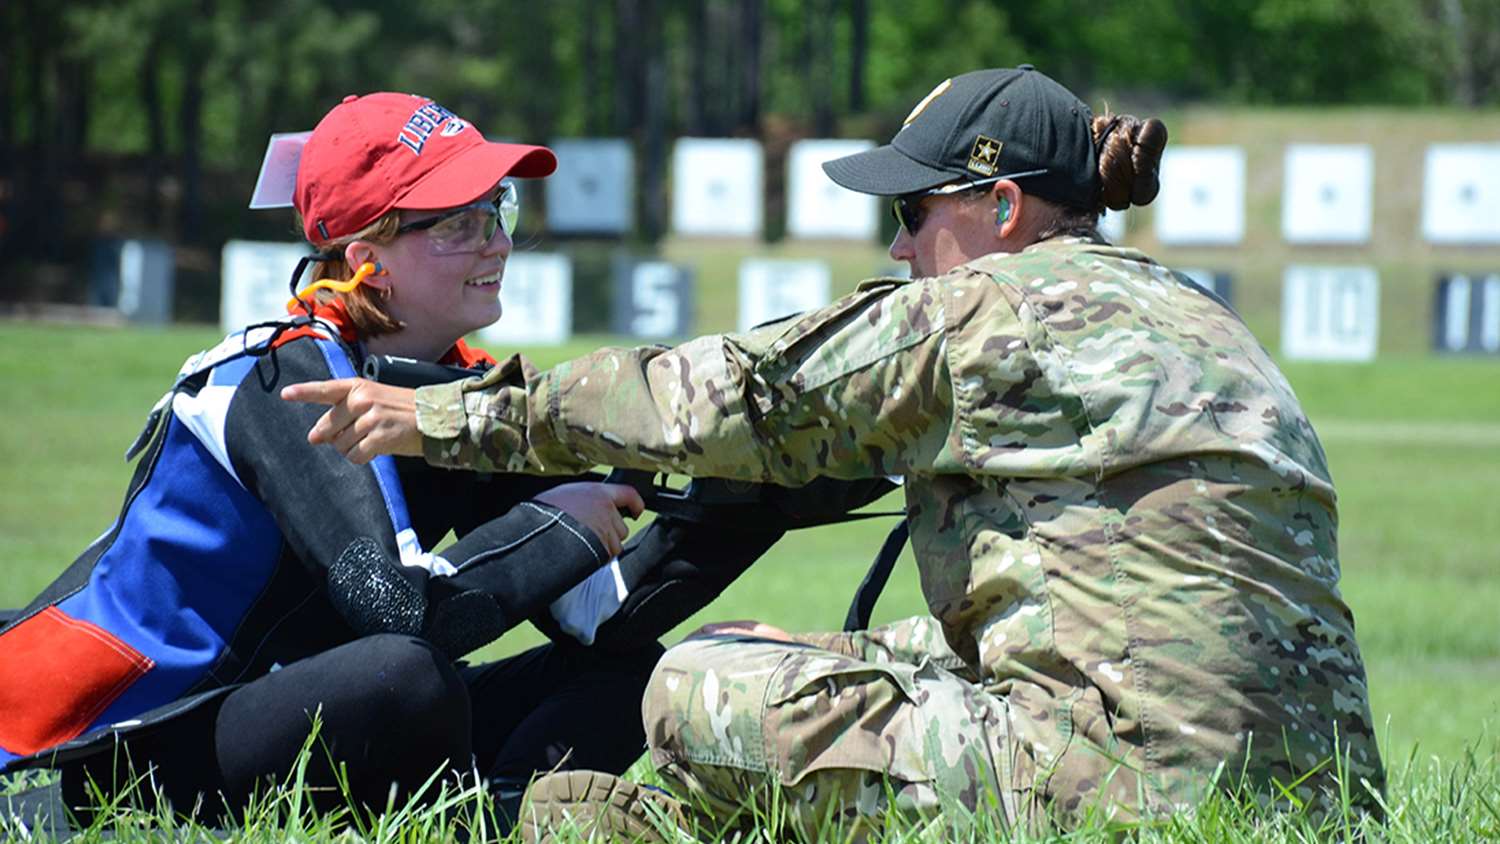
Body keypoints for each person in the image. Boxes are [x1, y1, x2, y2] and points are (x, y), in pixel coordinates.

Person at [285, 67, 1385, 835]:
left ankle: (612, 825)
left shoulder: (980, 313)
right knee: (827, 649)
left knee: (697, 683)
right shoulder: (1199, 316)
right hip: (1317, 793)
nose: (900, 245)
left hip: (1135, 794)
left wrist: (443, 416)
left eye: (912, 210)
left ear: (1002, 206)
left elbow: (717, 396)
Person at [0, 91, 783, 831]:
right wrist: (560, 524)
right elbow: (397, 607)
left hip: (277, 716)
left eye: (497, 211)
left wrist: (759, 502)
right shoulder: (284, 379)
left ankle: (491, 820)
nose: (499, 242)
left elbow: (604, 618)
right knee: (406, 676)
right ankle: (52, 814)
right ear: (367, 256)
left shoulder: (456, 386)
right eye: (460, 224)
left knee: (637, 675)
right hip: (123, 741)